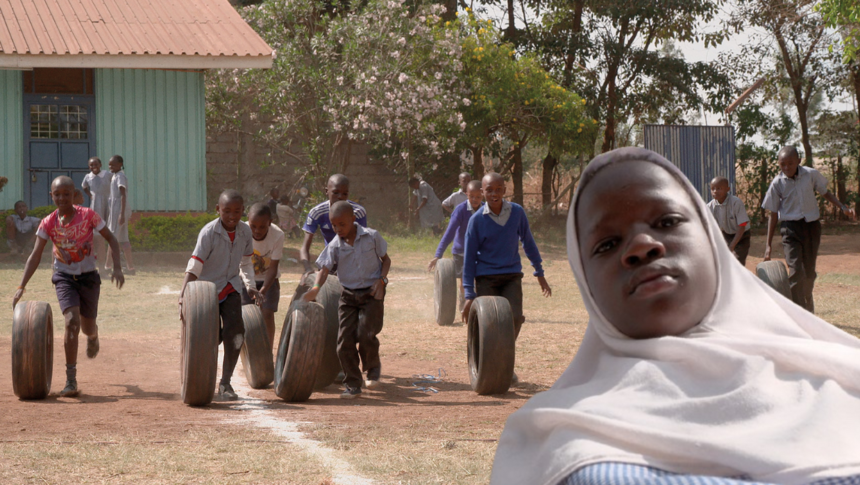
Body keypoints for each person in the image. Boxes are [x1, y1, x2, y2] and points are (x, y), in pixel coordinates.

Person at [490, 148, 860, 485]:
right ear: (585, 283)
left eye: (666, 222)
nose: (641, 246)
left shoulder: (841, 381)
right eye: (607, 244)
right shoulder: (545, 442)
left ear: (711, 242)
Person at [12, 176, 125, 398]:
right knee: (72, 322)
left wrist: (118, 268)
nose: (62, 198)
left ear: (74, 195)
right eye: (57, 194)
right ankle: (71, 380)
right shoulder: (48, 222)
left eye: (66, 194)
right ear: (51, 196)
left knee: (87, 327)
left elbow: (111, 239)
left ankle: (93, 336)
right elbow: (35, 255)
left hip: (88, 277)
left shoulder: (88, 215)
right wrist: (21, 285)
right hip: (64, 277)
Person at [461, 172, 552, 383]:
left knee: (515, 318)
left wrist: (539, 273)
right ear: (482, 192)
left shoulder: (517, 213)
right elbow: (469, 257)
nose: (494, 194)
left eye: (498, 189)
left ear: (504, 190)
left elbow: (528, 242)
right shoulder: (477, 220)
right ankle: (483, 366)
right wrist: (469, 294)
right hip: (486, 278)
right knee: (488, 325)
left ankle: (502, 364)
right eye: (489, 190)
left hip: (511, 275)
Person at [179, 189, 262, 400]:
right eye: (227, 211)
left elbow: (246, 262)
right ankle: (198, 377)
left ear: (243, 210)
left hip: (231, 286)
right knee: (209, 337)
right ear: (218, 209)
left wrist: (250, 285)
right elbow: (195, 264)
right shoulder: (208, 232)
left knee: (236, 333)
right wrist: (184, 294)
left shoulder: (245, 232)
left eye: (237, 211)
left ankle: (225, 383)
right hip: (205, 291)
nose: (232, 216)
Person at [303, 201, 390, 400]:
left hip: (371, 294)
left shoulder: (371, 236)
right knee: (344, 342)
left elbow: (386, 260)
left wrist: (382, 281)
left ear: (353, 219)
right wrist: (315, 289)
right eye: (334, 225)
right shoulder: (335, 245)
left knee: (366, 333)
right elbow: (324, 269)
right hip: (348, 296)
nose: (338, 229)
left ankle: (373, 369)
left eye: (342, 224)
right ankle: (353, 384)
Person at [762, 146, 856, 312]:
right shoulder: (777, 183)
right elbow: (773, 213)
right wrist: (768, 245)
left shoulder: (810, 174)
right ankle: (799, 312)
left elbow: (825, 193)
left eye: (790, 163)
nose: (786, 167)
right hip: (790, 229)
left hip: (811, 227)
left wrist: (842, 207)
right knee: (796, 271)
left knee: (809, 273)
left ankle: (807, 298)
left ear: (799, 161)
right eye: (782, 164)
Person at [300, 174, 368, 272]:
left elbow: (362, 243)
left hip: (353, 261)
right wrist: (307, 268)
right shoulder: (317, 213)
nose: (340, 197)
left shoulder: (358, 212)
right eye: (336, 193)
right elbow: (305, 247)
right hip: (329, 261)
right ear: (326, 191)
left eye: (344, 194)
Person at [428, 180, 483, 301]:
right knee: (465, 280)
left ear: (483, 195)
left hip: (479, 252)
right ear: (466, 194)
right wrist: (438, 255)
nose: (475, 199)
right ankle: (463, 301)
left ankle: (477, 303)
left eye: (478, 197)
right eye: (471, 196)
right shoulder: (460, 210)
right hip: (461, 251)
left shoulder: (486, 209)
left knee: (479, 279)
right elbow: (449, 234)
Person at [243, 203, 285, 350]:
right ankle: (248, 352)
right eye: (253, 226)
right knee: (245, 316)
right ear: (248, 219)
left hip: (269, 280)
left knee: (267, 314)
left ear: (270, 222)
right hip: (246, 278)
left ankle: (267, 351)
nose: (257, 231)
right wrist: (250, 286)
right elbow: (240, 263)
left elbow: (273, 267)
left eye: (262, 227)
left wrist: (263, 291)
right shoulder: (241, 231)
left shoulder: (278, 235)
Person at [706, 176, 751, 266]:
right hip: (726, 234)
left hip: (741, 235)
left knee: (737, 261)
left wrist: (731, 246)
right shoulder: (710, 207)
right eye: (712, 189)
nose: (715, 191)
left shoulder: (736, 203)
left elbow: (742, 226)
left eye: (719, 188)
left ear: (728, 189)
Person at [105, 155, 135, 275]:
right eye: (109, 164)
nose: (110, 166)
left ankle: (107, 267)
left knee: (112, 238)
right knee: (123, 239)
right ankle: (131, 268)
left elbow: (123, 195)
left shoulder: (120, 177)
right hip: (116, 211)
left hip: (119, 211)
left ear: (120, 164)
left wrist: (121, 214)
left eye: (113, 164)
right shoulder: (115, 176)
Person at [82, 157, 111, 267]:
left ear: (100, 165)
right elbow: (84, 186)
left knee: (108, 222)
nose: (94, 167)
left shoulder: (107, 174)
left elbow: (114, 184)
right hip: (95, 202)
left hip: (107, 200)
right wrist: (91, 195)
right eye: (91, 165)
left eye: (96, 164)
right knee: (97, 223)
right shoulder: (88, 177)